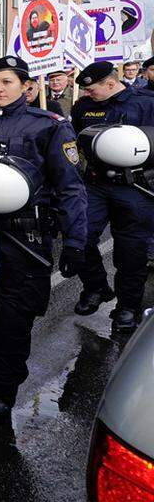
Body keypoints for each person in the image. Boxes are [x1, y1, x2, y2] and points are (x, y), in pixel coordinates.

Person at [0, 56, 87, 423]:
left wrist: (77, 241)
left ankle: (3, 388)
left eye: (6, 82)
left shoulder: (49, 125)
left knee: (15, 316)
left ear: (26, 86)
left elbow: (71, 188)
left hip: (25, 235)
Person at [70, 61, 154, 333]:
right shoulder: (82, 106)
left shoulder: (146, 103)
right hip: (94, 184)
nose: (88, 93)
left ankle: (128, 306)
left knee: (131, 251)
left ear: (110, 83)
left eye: (92, 89)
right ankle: (95, 286)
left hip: (135, 187)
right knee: (79, 238)